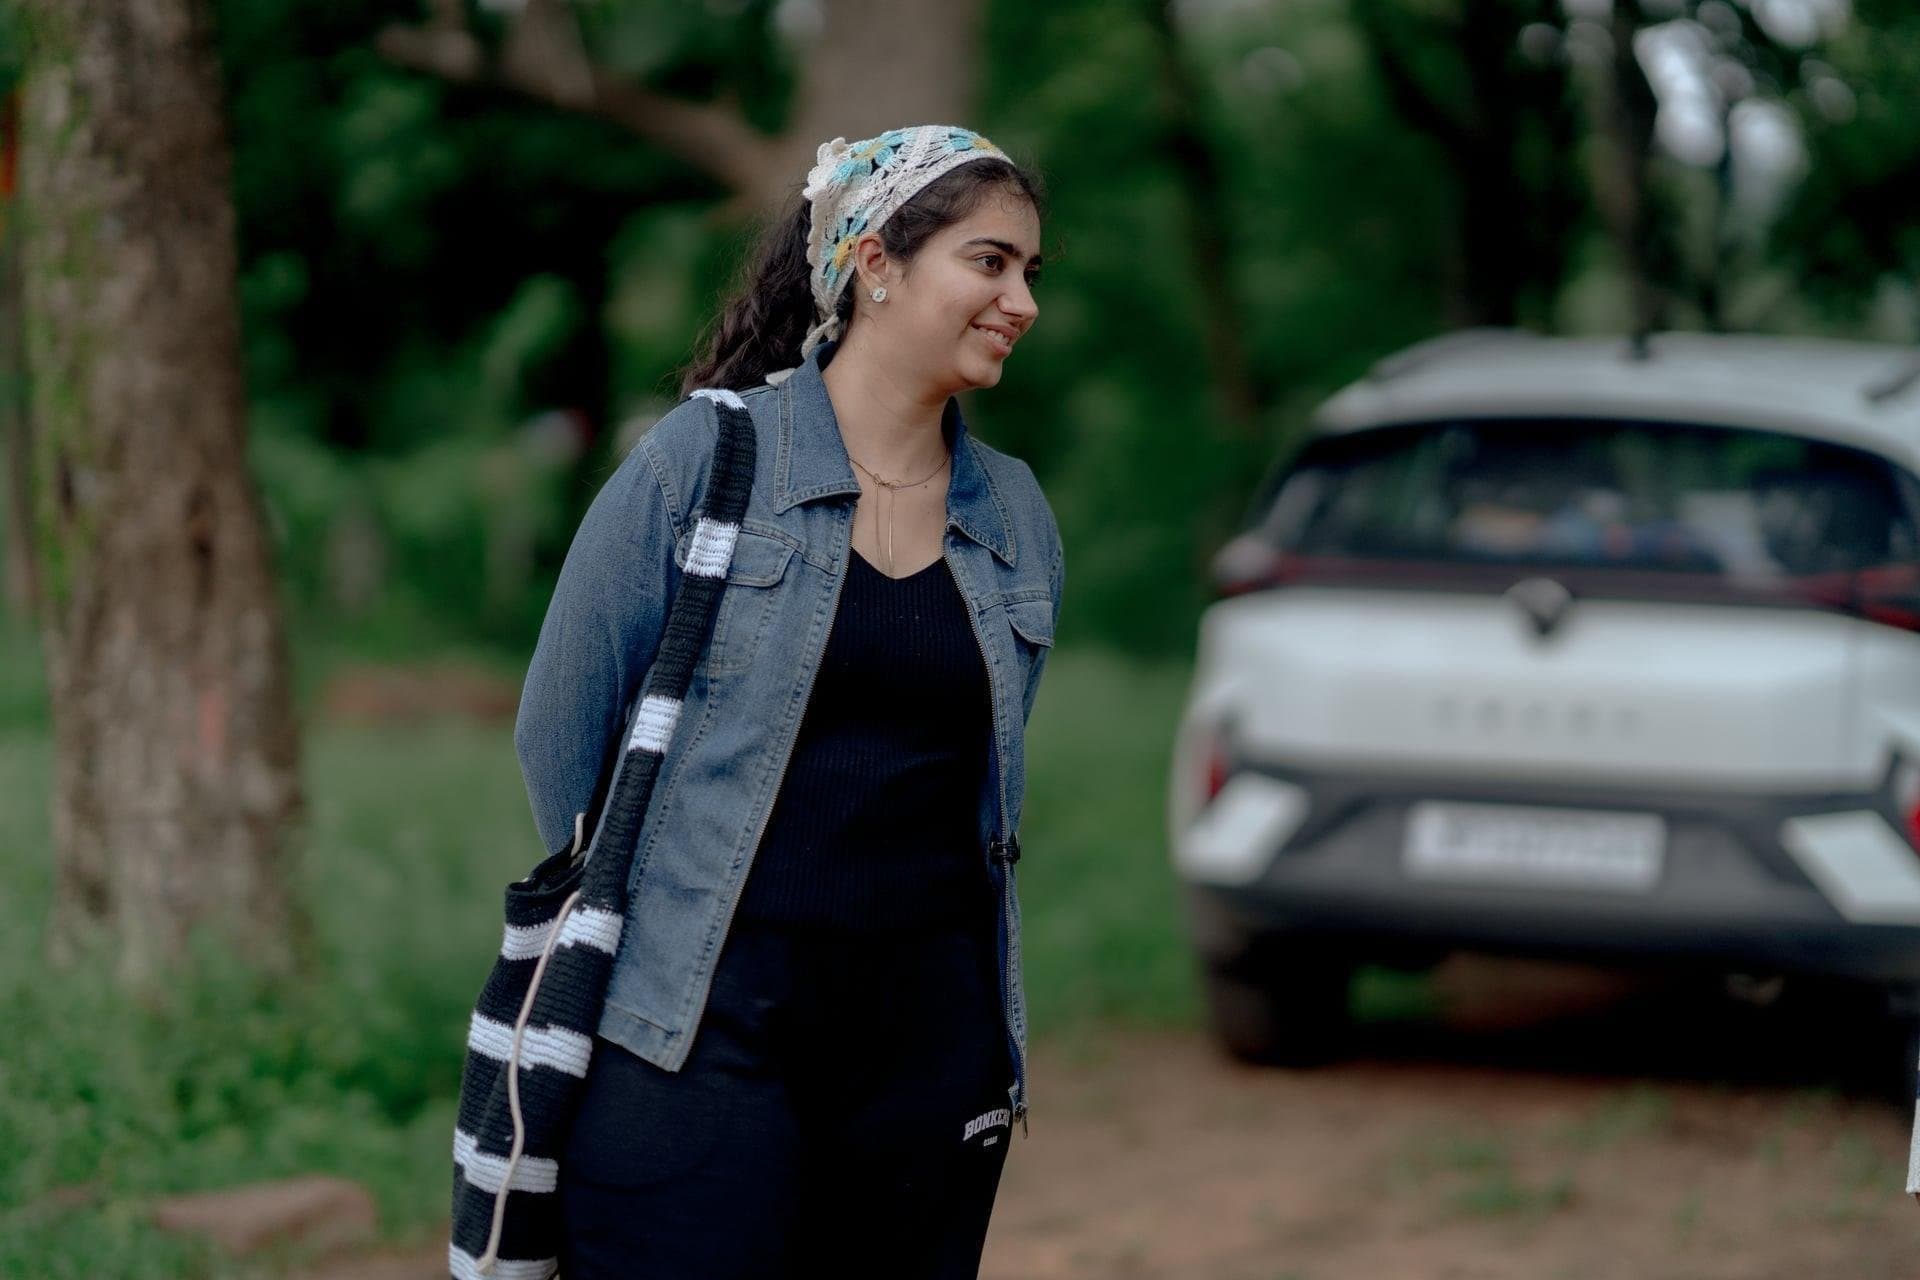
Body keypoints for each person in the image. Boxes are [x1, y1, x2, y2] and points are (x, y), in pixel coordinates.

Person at [511, 125, 1061, 1278]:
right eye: (990, 261)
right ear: (877, 263)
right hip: (699, 1039)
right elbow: (561, 737)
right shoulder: (701, 464)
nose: (1022, 301)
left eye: (1029, 273)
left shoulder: (1015, 515)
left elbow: (978, 784)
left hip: (929, 1053)